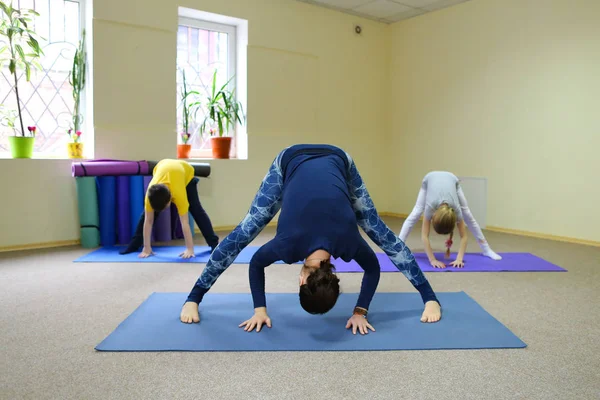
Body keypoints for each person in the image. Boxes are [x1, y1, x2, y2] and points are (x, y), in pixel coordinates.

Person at [180, 144, 442, 335]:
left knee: (381, 233)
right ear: (301, 279)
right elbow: (256, 263)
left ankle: (430, 298)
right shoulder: (288, 244)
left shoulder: (347, 243)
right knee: (243, 233)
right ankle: (193, 298)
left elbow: (374, 267)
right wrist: (259, 309)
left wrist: (360, 309)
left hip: (338, 159)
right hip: (293, 160)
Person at [398, 171, 501, 269]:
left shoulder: (456, 210)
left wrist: (459, 259)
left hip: (453, 180)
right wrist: (432, 260)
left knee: (468, 215)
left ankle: (486, 249)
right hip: (429, 179)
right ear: (433, 218)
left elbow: (464, 237)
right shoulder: (430, 208)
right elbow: (424, 236)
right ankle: (397, 246)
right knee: (416, 212)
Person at [119, 159, 219, 258]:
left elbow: (185, 222)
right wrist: (146, 247)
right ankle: (135, 245)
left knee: (196, 209)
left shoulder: (179, 195)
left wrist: (190, 249)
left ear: (170, 199)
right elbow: (148, 221)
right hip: (163, 166)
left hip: (186, 173)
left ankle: (214, 243)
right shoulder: (150, 194)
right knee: (146, 215)